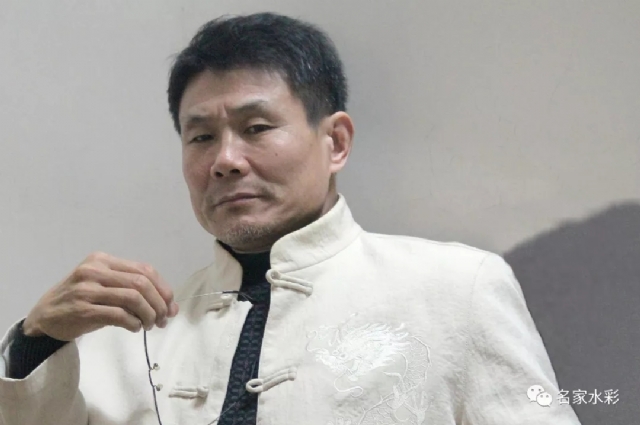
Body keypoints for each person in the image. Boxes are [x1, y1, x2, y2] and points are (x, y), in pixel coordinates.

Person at [0, 12, 582, 425]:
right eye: (201, 137)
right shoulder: (127, 339)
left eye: (256, 128)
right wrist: (34, 342)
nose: (225, 160)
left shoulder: (455, 291)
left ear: (336, 142)